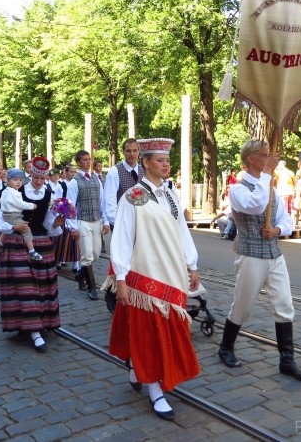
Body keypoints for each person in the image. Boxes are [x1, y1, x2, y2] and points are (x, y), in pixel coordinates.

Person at [102, 137, 201, 420]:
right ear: (145, 163)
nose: (166, 164)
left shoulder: (171, 195)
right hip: (144, 274)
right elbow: (121, 237)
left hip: (171, 272)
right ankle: (154, 387)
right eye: (160, 160)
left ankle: (138, 367)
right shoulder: (132, 196)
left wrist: (192, 264)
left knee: (170, 328)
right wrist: (120, 277)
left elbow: (182, 230)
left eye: (168, 160)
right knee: (151, 333)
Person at [217, 140, 301, 383]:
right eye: (264, 155)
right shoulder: (237, 189)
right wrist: (267, 174)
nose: (269, 159)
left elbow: (286, 219)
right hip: (250, 255)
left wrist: (278, 230)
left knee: (285, 305)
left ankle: (286, 360)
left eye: (269, 155)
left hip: (274, 255)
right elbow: (256, 204)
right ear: (250, 159)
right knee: (242, 306)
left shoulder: (272, 188)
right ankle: (226, 347)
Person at [0, 158, 63, 351]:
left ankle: (41, 324)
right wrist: (12, 226)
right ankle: (32, 330)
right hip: (17, 241)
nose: (39, 181)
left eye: (43, 178)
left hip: (41, 241)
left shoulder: (50, 193)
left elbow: (49, 224)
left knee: (42, 287)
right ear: (29, 175)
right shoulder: (15, 193)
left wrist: (58, 223)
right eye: (35, 177)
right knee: (26, 288)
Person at [73, 150, 110, 300]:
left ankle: (80, 274)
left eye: (89, 159)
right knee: (87, 255)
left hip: (96, 220)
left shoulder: (96, 179)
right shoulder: (74, 181)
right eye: (84, 160)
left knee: (95, 254)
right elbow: (70, 204)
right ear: (78, 162)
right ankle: (92, 287)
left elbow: (103, 202)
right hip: (82, 221)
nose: (88, 162)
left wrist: (105, 221)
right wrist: (73, 226)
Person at [0, 167, 41, 260]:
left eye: (20, 180)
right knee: (26, 229)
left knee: (8, 228)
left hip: (6, 215)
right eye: (15, 180)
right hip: (14, 215)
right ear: (8, 180)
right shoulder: (15, 193)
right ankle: (32, 251)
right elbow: (20, 204)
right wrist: (32, 206)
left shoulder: (5, 191)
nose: (18, 182)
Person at [104, 138, 144, 229]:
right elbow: (110, 200)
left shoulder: (144, 170)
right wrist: (117, 222)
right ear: (123, 152)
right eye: (128, 151)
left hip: (142, 221)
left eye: (135, 150)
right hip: (122, 220)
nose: (132, 154)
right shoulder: (115, 171)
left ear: (139, 151)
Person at [53, 164, 81, 275]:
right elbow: (57, 201)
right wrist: (63, 211)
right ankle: (58, 261)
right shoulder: (61, 186)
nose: (73, 174)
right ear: (65, 173)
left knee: (74, 242)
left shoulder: (76, 184)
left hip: (75, 214)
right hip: (64, 216)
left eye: (74, 172)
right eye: (71, 172)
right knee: (61, 240)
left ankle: (76, 264)